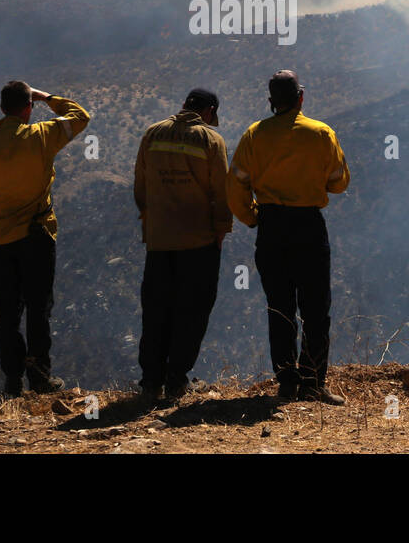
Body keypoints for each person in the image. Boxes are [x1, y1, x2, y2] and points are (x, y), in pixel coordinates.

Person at [227, 70, 350, 405]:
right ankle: (313, 383)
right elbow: (339, 182)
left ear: (271, 103)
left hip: (271, 229)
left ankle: (286, 383)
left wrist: (253, 218)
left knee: (279, 307)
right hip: (308, 227)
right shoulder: (321, 133)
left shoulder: (254, 135)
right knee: (315, 308)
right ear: (301, 97)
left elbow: (236, 184)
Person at [0, 81, 89, 396]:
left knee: (8, 309)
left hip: (3, 239)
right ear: (28, 107)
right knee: (38, 307)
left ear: (2, 109)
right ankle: (41, 376)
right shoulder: (42, 136)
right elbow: (80, 116)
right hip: (37, 236)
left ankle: (12, 379)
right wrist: (46, 96)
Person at [132, 88, 232, 404]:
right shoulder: (211, 141)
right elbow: (222, 192)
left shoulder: (152, 133)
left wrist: (151, 222)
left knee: (156, 310)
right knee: (191, 312)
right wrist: (221, 229)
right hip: (198, 241)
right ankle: (176, 381)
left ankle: (151, 382)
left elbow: (141, 186)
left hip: (159, 242)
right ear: (209, 110)